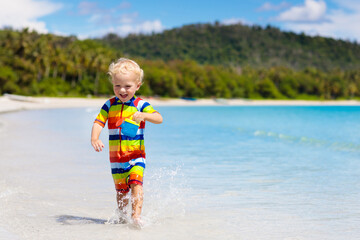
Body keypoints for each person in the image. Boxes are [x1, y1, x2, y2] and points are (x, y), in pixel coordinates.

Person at [90, 58, 163, 226]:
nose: (122, 90)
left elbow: (159, 118)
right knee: (121, 192)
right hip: (116, 159)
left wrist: (144, 115)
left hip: (136, 156)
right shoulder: (109, 105)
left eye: (127, 86)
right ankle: (123, 218)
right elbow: (98, 121)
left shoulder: (141, 104)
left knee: (136, 183)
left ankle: (136, 217)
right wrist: (94, 138)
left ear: (137, 86)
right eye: (117, 86)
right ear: (113, 84)